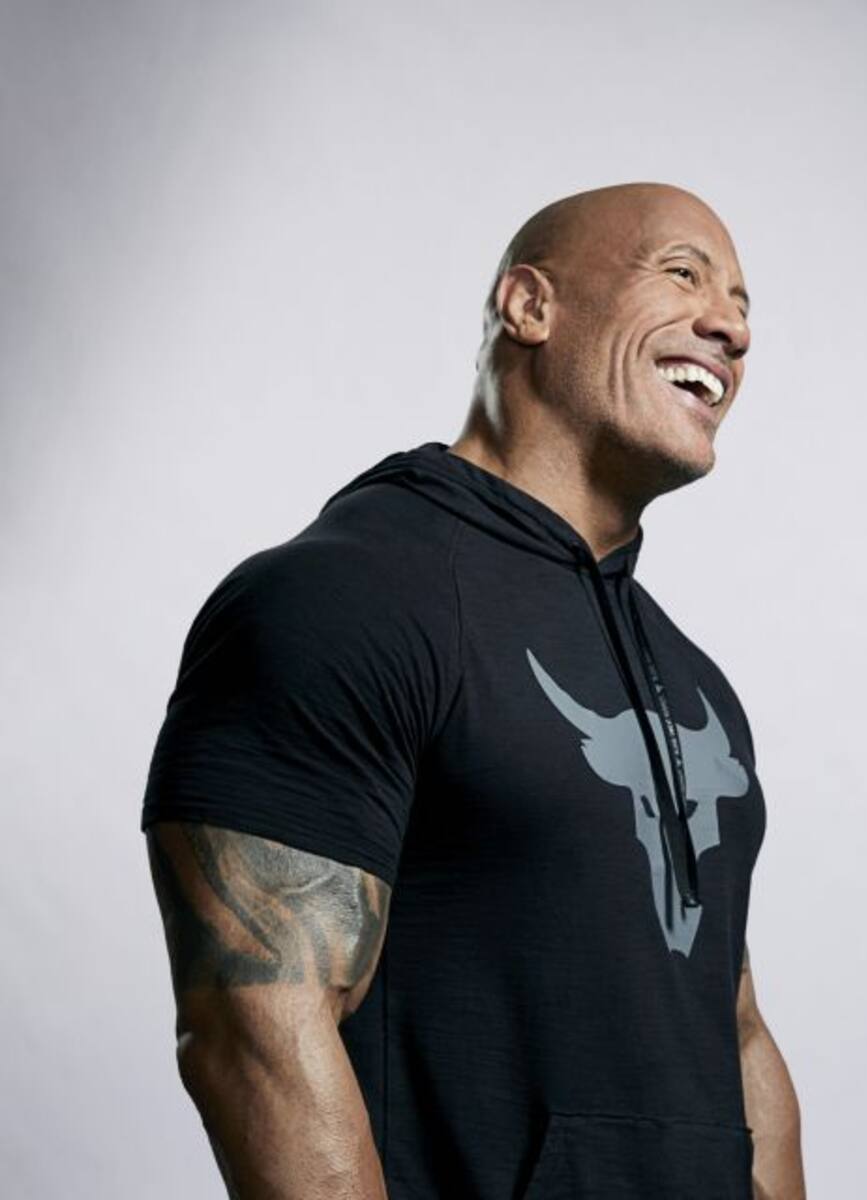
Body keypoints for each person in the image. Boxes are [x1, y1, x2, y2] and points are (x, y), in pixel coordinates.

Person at [141, 181, 807, 1199]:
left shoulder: (693, 688)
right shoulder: (344, 597)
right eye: (682, 275)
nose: (732, 328)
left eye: (743, 307)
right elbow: (253, 1029)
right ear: (530, 306)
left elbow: (737, 1028)